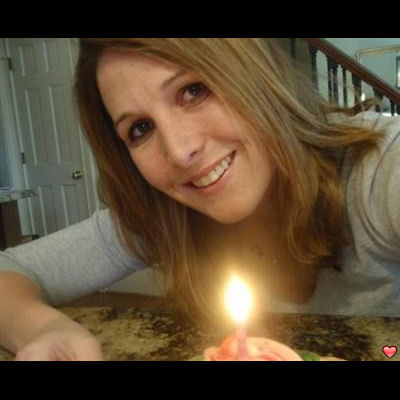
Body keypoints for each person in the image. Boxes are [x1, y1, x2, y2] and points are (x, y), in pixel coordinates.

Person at [0, 38, 399, 361]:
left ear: (254, 74)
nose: (179, 152)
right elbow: (11, 269)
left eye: (194, 90)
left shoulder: (378, 169)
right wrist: (43, 329)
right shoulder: (160, 214)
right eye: (140, 129)